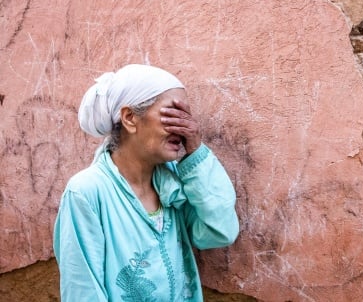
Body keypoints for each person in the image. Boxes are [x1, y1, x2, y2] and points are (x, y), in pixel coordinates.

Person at [53, 64, 239, 301]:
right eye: (172, 114)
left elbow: (220, 231)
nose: (183, 128)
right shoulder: (86, 193)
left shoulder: (171, 186)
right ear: (130, 118)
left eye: (186, 116)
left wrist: (195, 151)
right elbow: (83, 291)